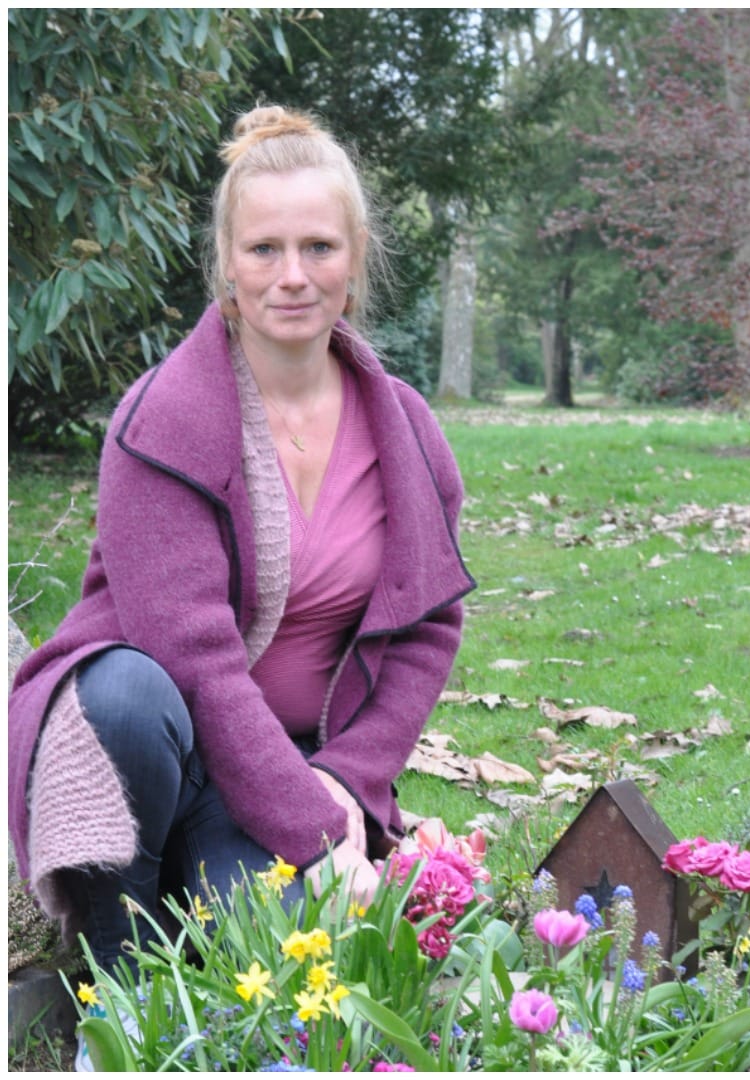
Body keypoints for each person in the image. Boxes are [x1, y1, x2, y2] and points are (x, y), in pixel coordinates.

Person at [7, 106, 474, 964]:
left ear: (356, 256)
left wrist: (343, 781)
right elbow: (193, 661)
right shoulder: (164, 421)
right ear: (227, 261)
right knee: (122, 695)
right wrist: (318, 829)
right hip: (162, 747)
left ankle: (207, 909)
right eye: (264, 249)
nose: (292, 276)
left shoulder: (406, 430)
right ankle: (119, 976)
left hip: (301, 760)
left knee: (284, 956)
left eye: (319, 248)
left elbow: (428, 624)